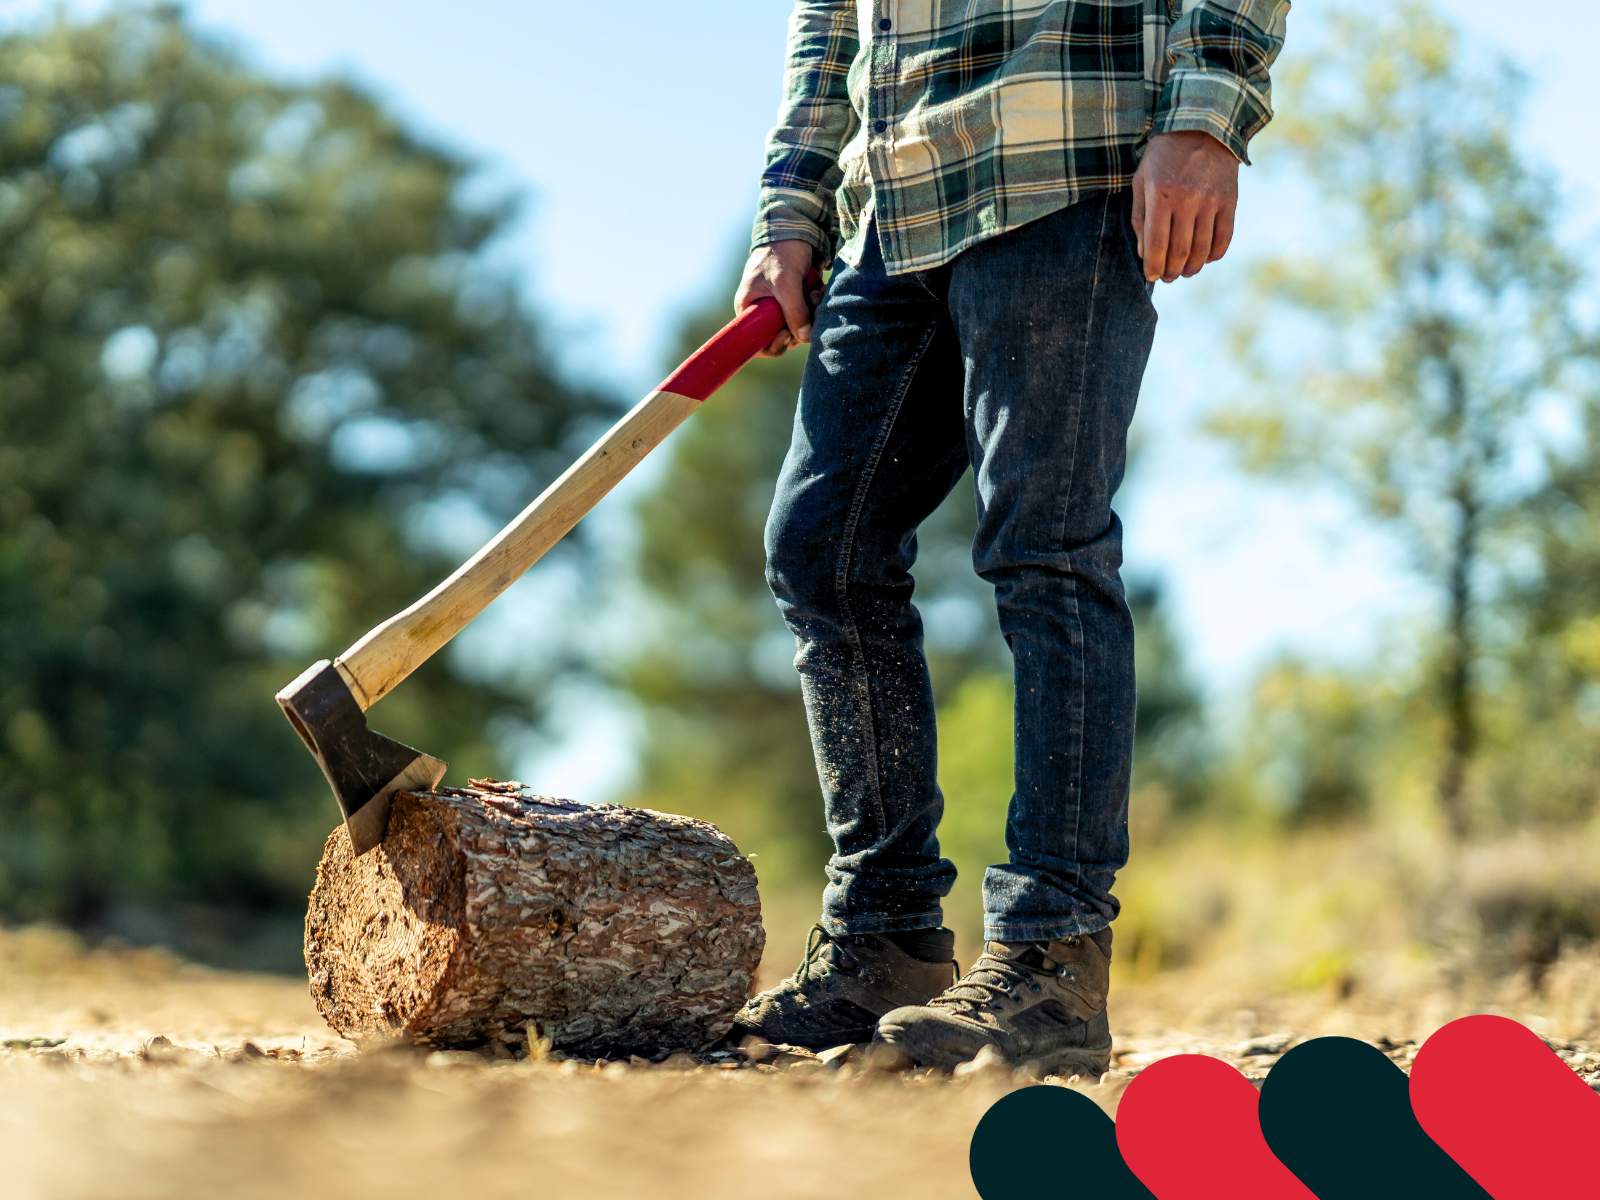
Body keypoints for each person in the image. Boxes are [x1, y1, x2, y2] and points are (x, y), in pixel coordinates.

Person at [727, 0, 1289, 1073]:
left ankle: (1049, 961)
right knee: (821, 553)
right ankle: (883, 935)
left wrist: (1207, 110)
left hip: (1057, 151)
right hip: (892, 200)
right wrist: (788, 209)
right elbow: (827, 23)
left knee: (1047, 546)